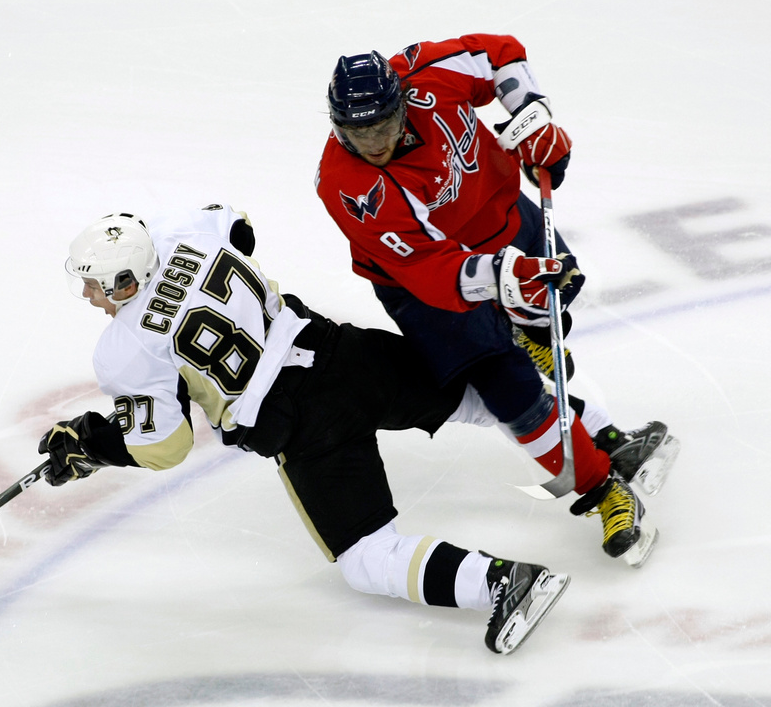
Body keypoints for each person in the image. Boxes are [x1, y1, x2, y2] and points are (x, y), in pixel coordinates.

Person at [38, 202, 569, 655]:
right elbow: (238, 225)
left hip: (304, 422)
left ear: (126, 280)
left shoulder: (125, 348)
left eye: (93, 284)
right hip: (342, 353)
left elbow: (165, 446)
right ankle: (603, 449)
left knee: (367, 558)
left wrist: (93, 443)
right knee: (484, 398)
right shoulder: (184, 233)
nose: (87, 295)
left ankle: (501, 582)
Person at [314, 35, 680, 566]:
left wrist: (532, 119)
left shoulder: (425, 74)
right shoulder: (348, 186)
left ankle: (527, 338)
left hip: (501, 218)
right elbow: (427, 268)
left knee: (561, 296)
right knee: (514, 393)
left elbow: (498, 52)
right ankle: (604, 492)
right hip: (424, 289)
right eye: (357, 130)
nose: (373, 141)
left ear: (400, 102)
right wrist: (504, 278)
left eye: (383, 125)